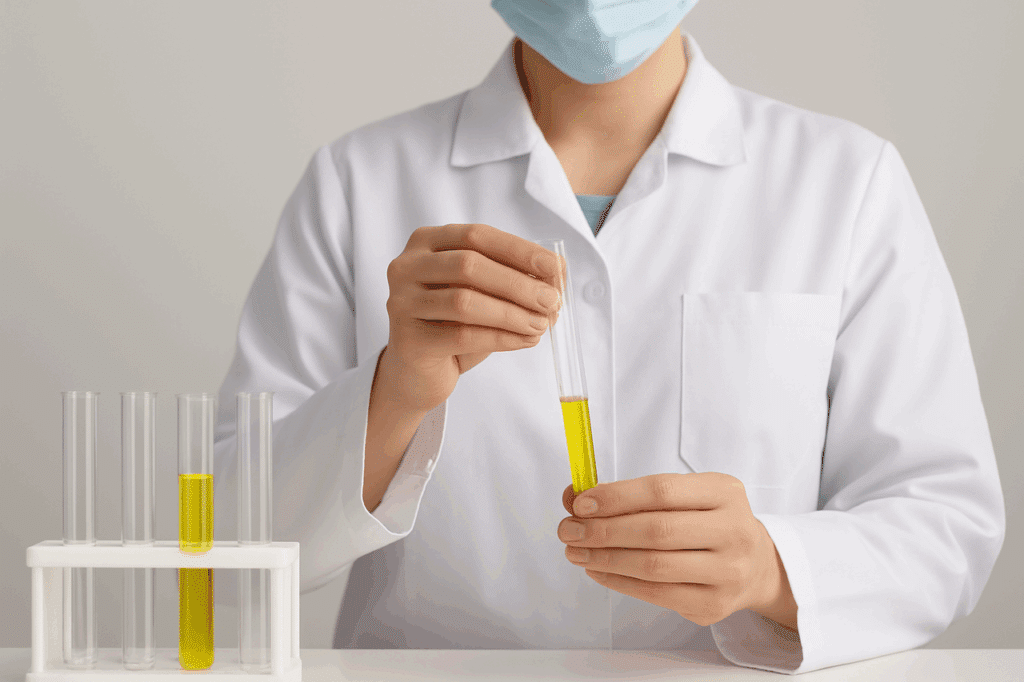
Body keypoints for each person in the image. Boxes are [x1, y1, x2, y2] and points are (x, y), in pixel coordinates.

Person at [213, 0, 1005, 674]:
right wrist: (395, 393)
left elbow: (944, 522)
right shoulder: (360, 183)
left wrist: (772, 568)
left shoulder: (844, 182)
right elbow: (226, 548)